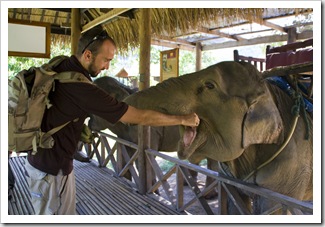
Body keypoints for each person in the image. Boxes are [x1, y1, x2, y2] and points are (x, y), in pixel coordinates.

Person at [24, 25, 200, 215]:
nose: (107, 66)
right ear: (88, 55)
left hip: (38, 162)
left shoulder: (59, 66)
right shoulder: (83, 89)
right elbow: (139, 116)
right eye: (106, 60)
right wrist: (182, 119)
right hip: (53, 173)